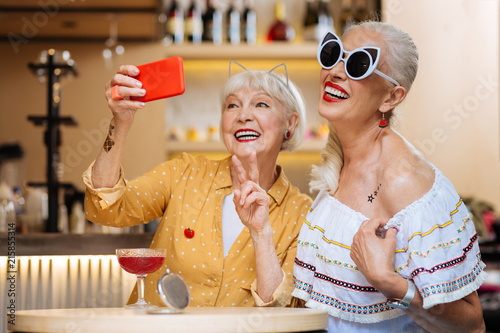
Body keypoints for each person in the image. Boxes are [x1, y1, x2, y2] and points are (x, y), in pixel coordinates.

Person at [292, 22, 486, 332]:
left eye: (358, 64)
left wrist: (390, 283)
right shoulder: (343, 163)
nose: (337, 72)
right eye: (333, 55)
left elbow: (472, 325)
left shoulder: (403, 181)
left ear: (390, 98)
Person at [82, 61, 312, 308]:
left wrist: (261, 233)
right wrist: (120, 123)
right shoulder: (184, 172)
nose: (243, 115)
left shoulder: (303, 214)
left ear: (290, 123)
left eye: (261, 104)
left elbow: (283, 311)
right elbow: (105, 205)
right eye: (232, 105)